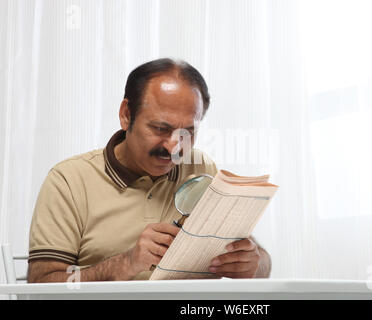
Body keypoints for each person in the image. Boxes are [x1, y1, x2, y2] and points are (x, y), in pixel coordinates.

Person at [27, 58, 271, 282]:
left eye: (188, 132)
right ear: (126, 115)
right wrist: (125, 263)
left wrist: (252, 263)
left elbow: (260, 261)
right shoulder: (69, 181)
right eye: (160, 129)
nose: (174, 146)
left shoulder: (200, 168)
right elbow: (41, 284)